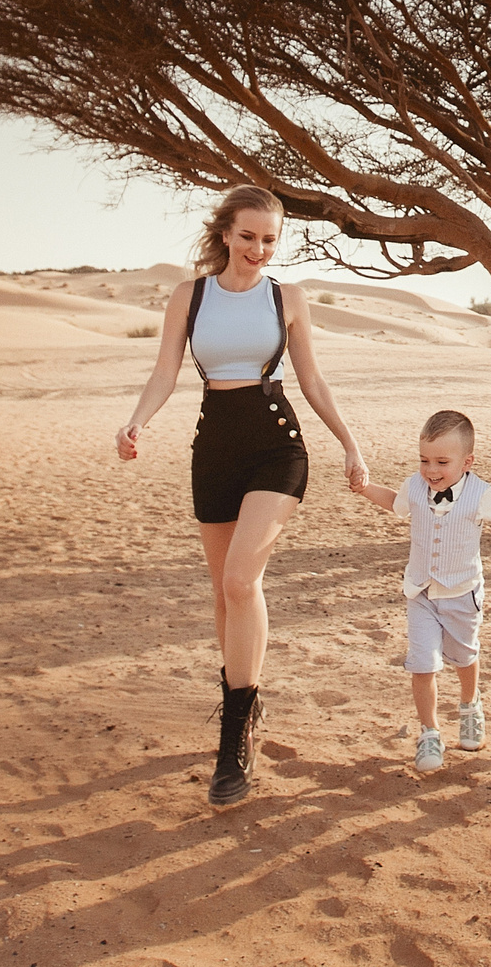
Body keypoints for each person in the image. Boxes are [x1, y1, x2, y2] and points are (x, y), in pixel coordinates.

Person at [116, 185, 368, 808]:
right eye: (248, 236)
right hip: (215, 447)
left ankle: (233, 740)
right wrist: (137, 422)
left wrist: (351, 444)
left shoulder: (287, 298)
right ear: (225, 234)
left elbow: (310, 377)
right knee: (222, 593)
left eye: (270, 239)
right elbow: (165, 371)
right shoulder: (190, 295)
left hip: (276, 443)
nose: (259, 249)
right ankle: (244, 703)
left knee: (239, 580)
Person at [354, 409, 491, 772]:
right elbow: (395, 502)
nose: (431, 470)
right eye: (424, 460)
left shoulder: (480, 494)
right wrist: (364, 488)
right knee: (422, 664)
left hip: (461, 593)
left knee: (464, 657)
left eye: (442, 461)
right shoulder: (415, 486)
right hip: (422, 592)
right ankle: (429, 733)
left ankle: (470, 705)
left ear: (467, 462)